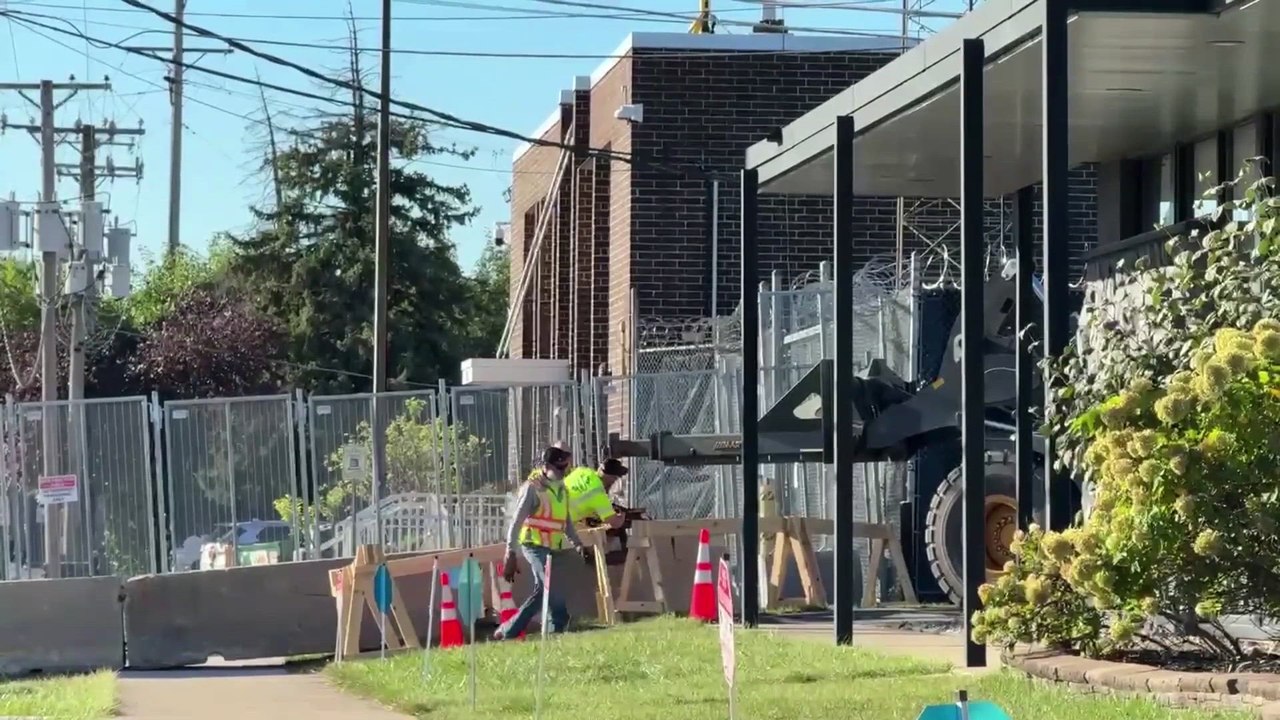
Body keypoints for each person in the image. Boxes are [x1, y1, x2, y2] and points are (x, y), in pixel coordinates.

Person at [495, 445, 584, 640]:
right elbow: (516, 521)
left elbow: (565, 520)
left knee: (542, 591)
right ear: (546, 466)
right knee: (550, 584)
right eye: (558, 468)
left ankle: (508, 630)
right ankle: (558, 625)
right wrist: (511, 552)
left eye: (565, 468)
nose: (562, 472)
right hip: (533, 544)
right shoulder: (532, 488)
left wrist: (577, 543)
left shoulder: (562, 489)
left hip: (552, 547)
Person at [564, 458, 629, 530]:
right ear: (611, 477)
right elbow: (616, 523)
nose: (615, 481)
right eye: (615, 478)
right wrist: (623, 513)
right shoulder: (598, 494)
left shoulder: (582, 471)